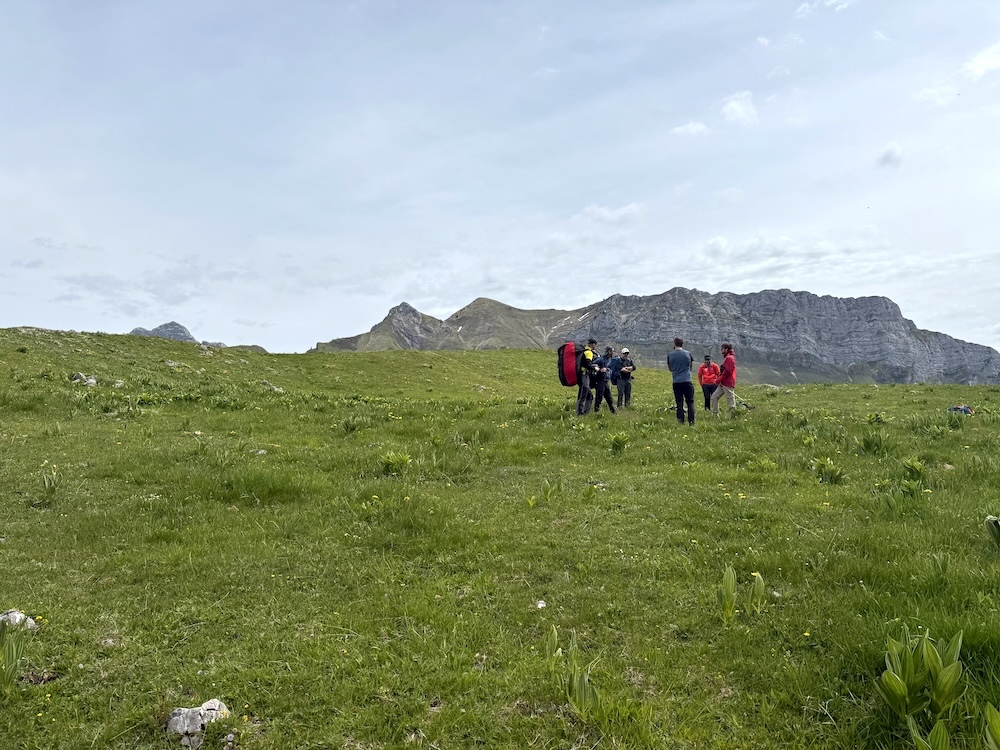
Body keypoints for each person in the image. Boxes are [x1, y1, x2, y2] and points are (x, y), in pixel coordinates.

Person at [666, 337, 695, 425]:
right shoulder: (688, 354)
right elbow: (690, 367)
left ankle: (680, 420)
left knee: (679, 402)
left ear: (674, 344)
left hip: (677, 381)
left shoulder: (670, 355)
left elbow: (670, 368)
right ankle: (691, 421)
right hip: (687, 380)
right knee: (690, 402)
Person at [710, 342, 738, 416]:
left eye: (722, 349)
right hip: (723, 383)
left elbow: (727, 371)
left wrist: (718, 380)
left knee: (730, 400)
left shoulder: (729, 358)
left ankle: (733, 416)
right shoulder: (728, 357)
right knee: (714, 397)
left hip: (728, 382)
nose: (721, 350)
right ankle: (715, 414)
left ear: (726, 349)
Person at [576, 338, 599, 415]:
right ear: (593, 344)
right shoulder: (589, 353)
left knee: (585, 395)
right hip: (584, 375)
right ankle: (581, 413)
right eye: (595, 345)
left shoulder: (584, 351)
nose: (595, 346)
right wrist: (594, 368)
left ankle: (583, 412)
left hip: (580, 375)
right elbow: (588, 365)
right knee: (586, 395)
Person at [593, 347, 617, 414]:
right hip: (600, 381)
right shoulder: (601, 359)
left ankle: (614, 412)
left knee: (609, 397)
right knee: (599, 397)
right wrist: (599, 369)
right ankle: (596, 411)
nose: (613, 352)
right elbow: (592, 364)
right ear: (609, 352)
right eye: (612, 351)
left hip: (605, 381)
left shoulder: (609, 359)